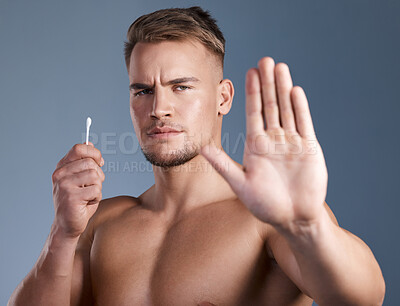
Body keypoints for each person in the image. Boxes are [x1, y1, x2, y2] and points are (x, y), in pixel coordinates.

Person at [8, 6, 385, 306]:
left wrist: (306, 227)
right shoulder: (104, 221)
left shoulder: (269, 219)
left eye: (181, 87)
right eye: (142, 91)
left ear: (223, 97)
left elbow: (361, 298)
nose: (159, 108)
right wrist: (61, 234)